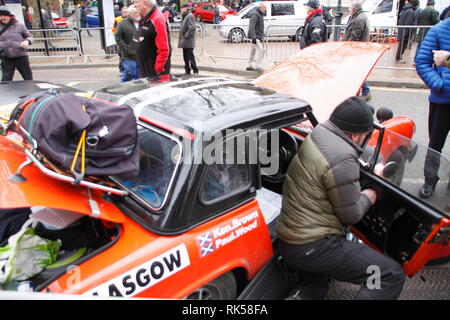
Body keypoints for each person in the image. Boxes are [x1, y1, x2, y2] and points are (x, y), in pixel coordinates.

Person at [277, 96, 406, 300]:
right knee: (388, 275)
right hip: (315, 246)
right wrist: (371, 194)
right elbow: (351, 214)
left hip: (291, 239)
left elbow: (355, 153)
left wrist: (375, 163)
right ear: (355, 136)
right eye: (366, 135)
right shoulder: (342, 158)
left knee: (315, 285)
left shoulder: (321, 133)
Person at [415, 19, 450, 199]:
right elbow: (422, 61)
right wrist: (439, 84)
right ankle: (430, 180)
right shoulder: (438, 30)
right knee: (435, 144)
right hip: (442, 100)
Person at [134, 0, 172, 82]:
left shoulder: (157, 19)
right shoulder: (145, 19)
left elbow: (164, 49)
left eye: (136, 2)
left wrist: (158, 70)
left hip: (154, 75)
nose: (134, 5)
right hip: (146, 71)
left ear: (145, 3)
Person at [344, 0, 371, 101]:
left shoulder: (359, 19)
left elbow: (355, 36)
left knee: (357, 71)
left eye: (350, 8)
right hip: (359, 49)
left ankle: (366, 91)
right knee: (356, 71)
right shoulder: (359, 16)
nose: (348, 9)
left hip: (356, 49)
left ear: (354, 9)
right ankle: (362, 91)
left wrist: (347, 47)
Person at [0, 6, 34, 81]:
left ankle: (30, 91)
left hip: (20, 56)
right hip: (6, 57)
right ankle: (7, 93)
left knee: (28, 78)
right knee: (6, 81)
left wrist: (27, 41)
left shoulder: (19, 25)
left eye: (4, 15)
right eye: (0, 16)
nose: (2, 18)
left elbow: (30, 37)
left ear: (9, 16)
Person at [115, 5, 140, 82]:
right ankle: (121, 87)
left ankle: (139, 91)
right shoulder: (122, 23)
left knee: (140, 76)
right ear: (130, 13)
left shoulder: (142, 22)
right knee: (130, 73)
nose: (138, 14)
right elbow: (118, 38)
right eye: (135, 12)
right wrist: (126, 49)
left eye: (138, 12)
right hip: (128, 56)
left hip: (141, 55)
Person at [178, 3, 198, 75]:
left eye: (182, 8)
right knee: (185, 57)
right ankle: (187, 70)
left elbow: (192, 28)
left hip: (188, 41)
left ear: (186, 8)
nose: (181, 9)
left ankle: (195, 70)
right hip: (185, 41)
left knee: (190, 57)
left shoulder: (189, 15)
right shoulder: (185, 15)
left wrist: (186, 36)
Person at [246, 2, 266, 72]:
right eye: (264, 8)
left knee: (253, 51)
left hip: (256, 36)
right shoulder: (255, 14)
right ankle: (257, 65)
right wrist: (254, 37)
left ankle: (249, 65)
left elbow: (259, 26)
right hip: (255, 36)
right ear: (260, 8)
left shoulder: (259, 14)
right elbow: (252, 26)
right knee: (261, 51)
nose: (265, 10)